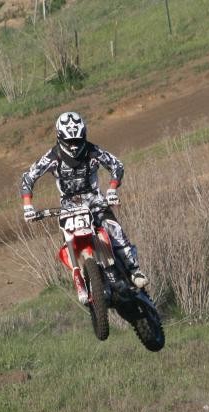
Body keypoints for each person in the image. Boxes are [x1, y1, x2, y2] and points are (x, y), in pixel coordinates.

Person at [20, 111, 149, 288]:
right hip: (68, 206)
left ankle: (134, 270)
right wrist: (28, 206)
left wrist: (112, 189)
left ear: (84, 135)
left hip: (95, 201)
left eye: (77, 140)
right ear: (60, 137)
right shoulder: (53, 156)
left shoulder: (92, 151)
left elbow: (116, 165)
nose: (74, 146)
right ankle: (80, 275)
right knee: (68, 241)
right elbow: (28, 177)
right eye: (70, 141)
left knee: (114, 229)